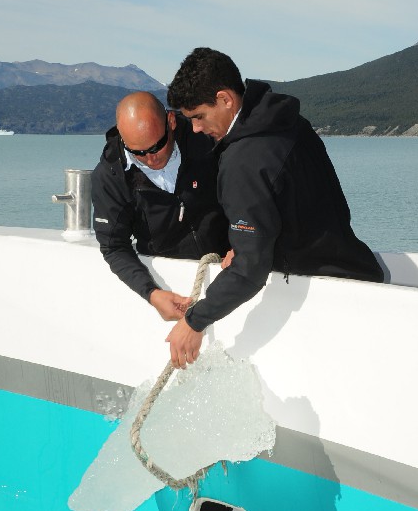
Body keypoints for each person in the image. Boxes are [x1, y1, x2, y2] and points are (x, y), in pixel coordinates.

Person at [166, 47, 384, 368]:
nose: (196, 128)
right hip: (358, 273)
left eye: (198, 116)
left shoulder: (244, 160)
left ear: (225, 99)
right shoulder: (288, 121)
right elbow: (302, 207)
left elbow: (250, 270)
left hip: (324, 299)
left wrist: (194, 322)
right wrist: (246, 242)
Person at [91, 91, 229, 321]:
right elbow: (114, 246)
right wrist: (151, 293)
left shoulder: (206, 137)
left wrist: (244, 244)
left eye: (157, 146)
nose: (150, 159)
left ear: (171, 122)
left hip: (229, 268)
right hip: (169, 280)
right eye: (138, 152)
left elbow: (247, 193)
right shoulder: (110, 177)